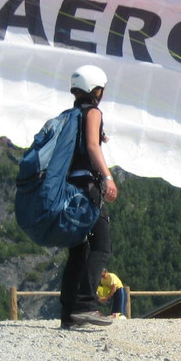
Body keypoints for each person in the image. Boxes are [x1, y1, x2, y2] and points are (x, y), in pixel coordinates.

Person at [59, 65, 119, 329]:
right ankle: (85, 305)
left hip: (68, 188)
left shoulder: (70, 114)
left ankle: (69, 315)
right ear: (96, 89)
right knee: (101, 245)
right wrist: (107, 177)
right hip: (88, 188)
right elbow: (92, 147)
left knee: (77, 250)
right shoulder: (93, 112)